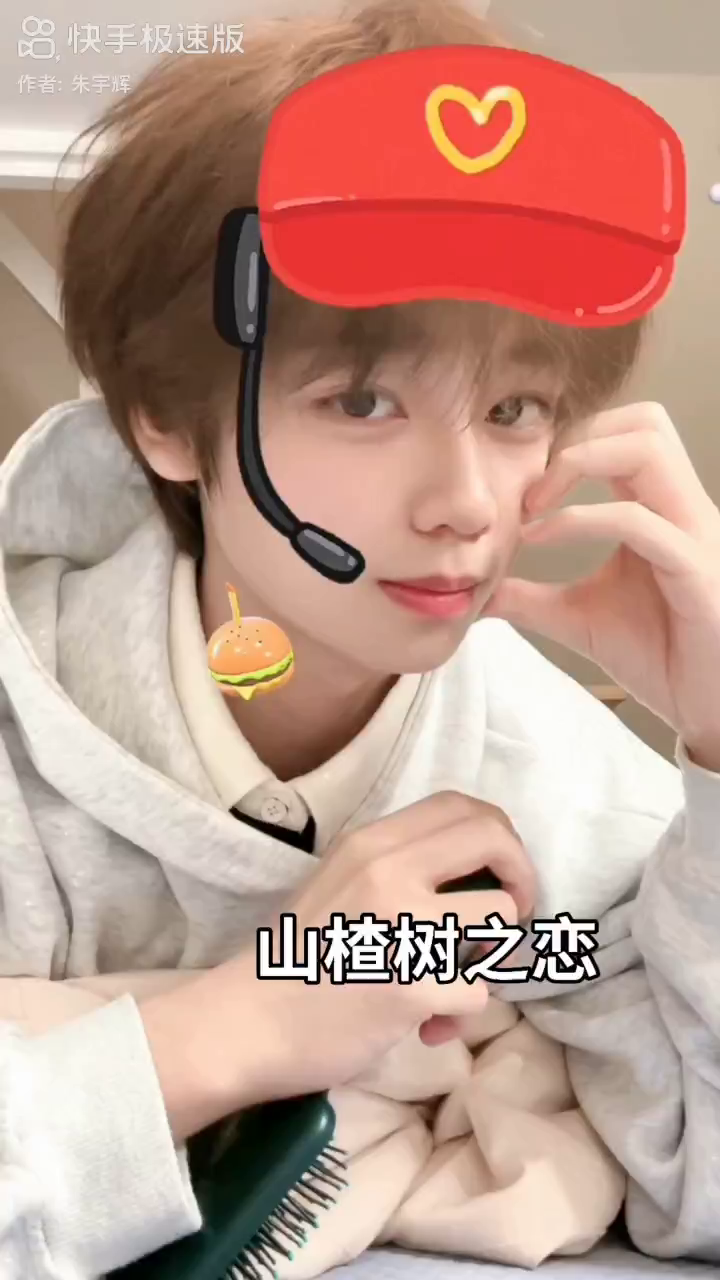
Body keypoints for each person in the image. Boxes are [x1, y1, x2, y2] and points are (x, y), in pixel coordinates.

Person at [0, 0, 719, 1275]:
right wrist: (247, 1022)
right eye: (365, 397)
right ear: (166, 418)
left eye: (515, 407)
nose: (467, 503)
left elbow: (703, 1180)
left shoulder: (553, 775)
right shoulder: (24, 731)